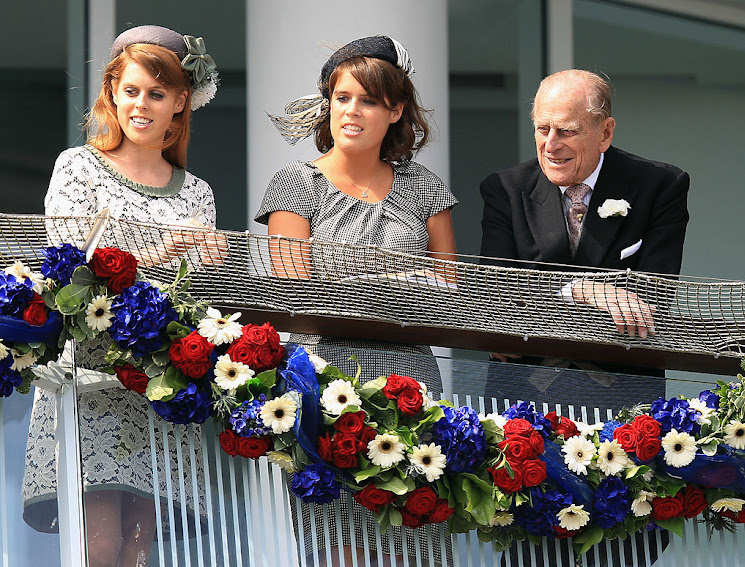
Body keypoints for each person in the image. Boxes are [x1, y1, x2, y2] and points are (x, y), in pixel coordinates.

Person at [22, 25, 222, 567]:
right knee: (99, 543)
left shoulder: (197, 190)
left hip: (162, 377)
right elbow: (67, 266)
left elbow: (202, 298)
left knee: (141, 543)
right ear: (111, 92)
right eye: (130, 90)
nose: (141, 105)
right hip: (91, 375)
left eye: (157, 94)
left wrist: (213, 263)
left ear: (181, 101)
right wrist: (159, 255)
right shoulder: (78, 166)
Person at [255, 36, 457, 566]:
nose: (351, 110)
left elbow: (451, 293)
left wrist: (361, 282)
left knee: (412, 539)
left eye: (367, 100)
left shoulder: (425, 188)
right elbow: (297, 289)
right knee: (336, 544)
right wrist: (400, 284)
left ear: (394, 111)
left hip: (412, 380)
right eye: (342, 97)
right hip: (326, 378)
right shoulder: (296, 184)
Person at [480, 69, 689, 565]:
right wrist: (585, 290)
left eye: (567, 130)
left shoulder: (660, 184)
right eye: (541, 129)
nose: (550, 144)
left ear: (606, 132)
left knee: (624, 549)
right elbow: (496, 298)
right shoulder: (504, 189)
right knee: (530, 548)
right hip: (527, 405)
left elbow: (654, 296)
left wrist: (547, 301)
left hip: (623, 412)